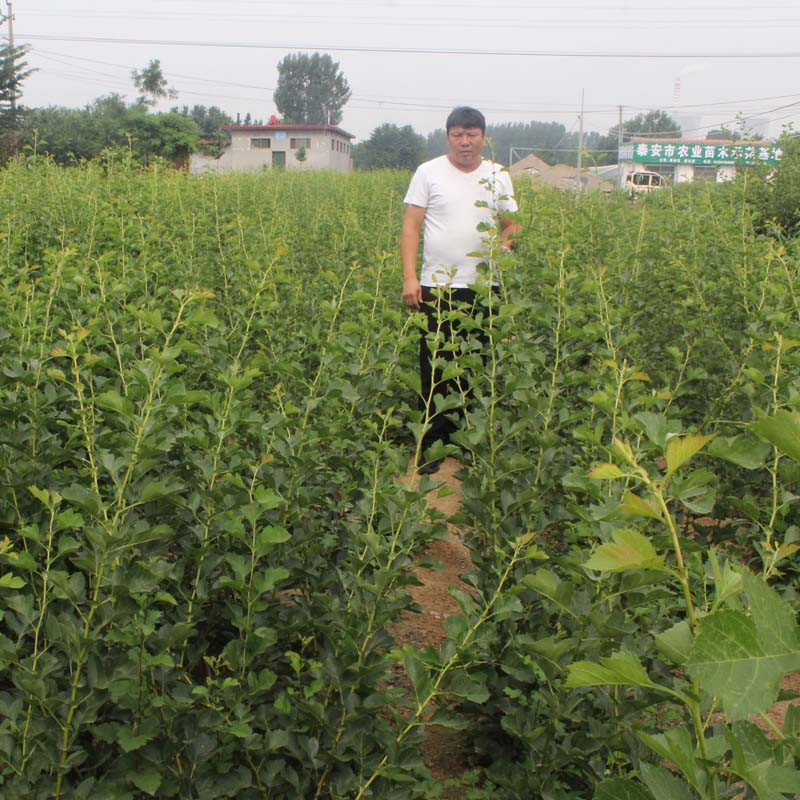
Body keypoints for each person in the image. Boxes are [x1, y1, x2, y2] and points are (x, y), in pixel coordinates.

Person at [401, 106, 521, 474]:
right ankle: (433, 444)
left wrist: (503, 250)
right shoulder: (428, 172)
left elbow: (512, 224)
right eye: (458, 134)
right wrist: (410, 278)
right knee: (434, 364)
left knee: (476, 361)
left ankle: (467, 440)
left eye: (472, 134)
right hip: (437, 284)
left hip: (483, 286)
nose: (465, 141)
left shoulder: (498, 175)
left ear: (483, 137)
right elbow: (411, 227)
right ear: (448, 137)